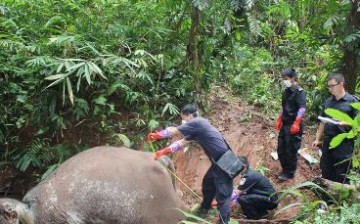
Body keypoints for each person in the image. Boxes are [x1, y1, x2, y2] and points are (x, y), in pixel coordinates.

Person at [147, 104, 237, 224]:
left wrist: (157, 135)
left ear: (189, 115)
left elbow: (174, 131)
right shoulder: (197, 128)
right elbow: (181, 143)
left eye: (183, 117)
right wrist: (164, 151)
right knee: (208, 184)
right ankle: (205, 210)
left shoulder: (198, 122)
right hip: (220, 161)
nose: (183, 120)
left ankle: (224, 220)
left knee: (223, 195)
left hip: (225, 161)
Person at [312, 73, 358, 184]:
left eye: (332, 86)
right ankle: (327, 198)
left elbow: (358, 124)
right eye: (328, 86)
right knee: (326, 170)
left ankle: (341, 199)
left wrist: (347, 123)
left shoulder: (353, 102)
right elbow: (323, 121)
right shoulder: (328, 102)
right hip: (328, 143)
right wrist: (318, 139)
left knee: (342, 173)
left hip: (344, 144)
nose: (330, 89)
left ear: (341, 84)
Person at [275, 68, 306, 181]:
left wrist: (297, 123)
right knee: (281, 149)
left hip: (294, 125)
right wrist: (279, 118)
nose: (284, 81)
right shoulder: (286, 91)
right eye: (283, 79)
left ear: (293, 78)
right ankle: (285, 169)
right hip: (285, 124)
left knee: (290, 150)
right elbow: (283, 107)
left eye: (286, 79)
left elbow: (302, 108)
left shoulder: (299, 92)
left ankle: (290, 173)